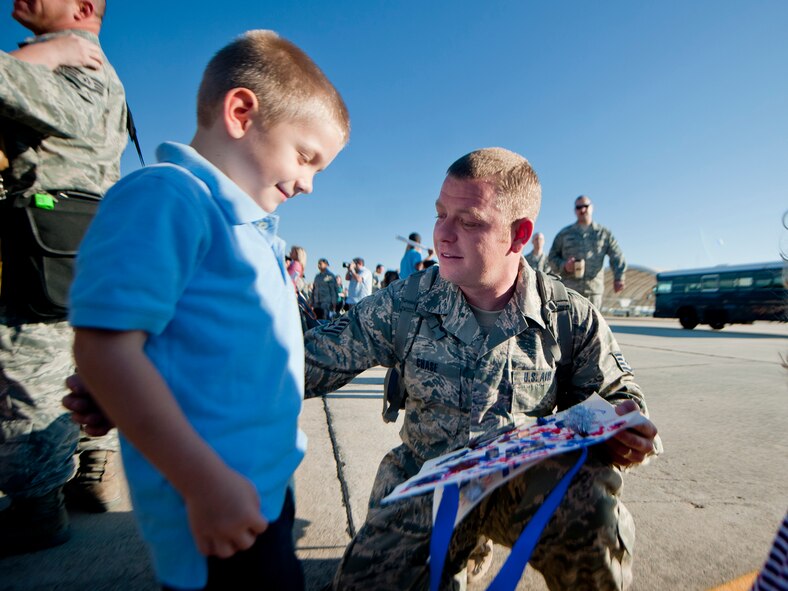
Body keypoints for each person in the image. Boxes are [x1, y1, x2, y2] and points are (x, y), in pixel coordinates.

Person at [67, 29, 348, 591]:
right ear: (241, 111)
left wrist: (121, 392)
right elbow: (102, 346)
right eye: (306, 157)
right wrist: (202, 484)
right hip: (213, 502)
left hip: (259, 490)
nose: (311, 184)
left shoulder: (246, 228)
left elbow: (184, 345)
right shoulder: (168, 197)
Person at [303, 148, 660, 590]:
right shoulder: (404, 304)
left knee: (592, 516)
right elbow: (305, 362)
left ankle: (483, 542)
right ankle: (461, 548)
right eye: (440, 214)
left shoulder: (567, 315)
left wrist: (627, 427)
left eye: (469, 221)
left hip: (522, 481)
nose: (442, 236)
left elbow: (620, 395)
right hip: (428, 480)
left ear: (519, 235)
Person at [0, 0, 127, 555]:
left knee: (29, 369)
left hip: (47, 241)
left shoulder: (75, 62)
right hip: (70, 239)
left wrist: (42, 52)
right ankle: (87, 472)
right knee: (76, 363)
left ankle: (38, 506)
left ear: (82, 8)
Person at [548, 195, 626, 309]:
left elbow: (617, 255)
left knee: (594, 326)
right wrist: (564, 266)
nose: (582, 210)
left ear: (592, 208)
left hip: (593, 292)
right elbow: (551, 258)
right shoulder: (564, 234)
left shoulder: (603, 233)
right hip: (570, 291)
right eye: (578, 207)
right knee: (569, 326)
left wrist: (619, 277)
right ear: (575, 210)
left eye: (585, 206)